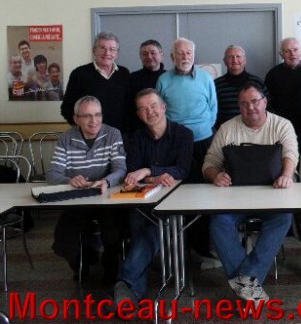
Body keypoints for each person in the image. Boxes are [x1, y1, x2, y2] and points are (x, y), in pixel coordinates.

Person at [203, 82, 298, 304]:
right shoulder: (227, 128)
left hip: (273, 195)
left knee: (283, 218)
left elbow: (291, 153)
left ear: (265, 102)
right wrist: (215, 175)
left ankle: (245, 279)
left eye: (255, 101)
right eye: (244, 103)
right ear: (239, 106)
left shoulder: (282, 124)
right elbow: (209, 163)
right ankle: (249, 284)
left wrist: (286, 175)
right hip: (234, 198)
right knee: (218, 222)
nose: (250, 107)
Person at [114, 89, 193, 304]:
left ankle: (125, 281)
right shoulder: (135, 138)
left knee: (162, 226)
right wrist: (156, 176)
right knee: (138, 222)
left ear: (163, 107)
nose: (150, 112)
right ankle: (133, 291)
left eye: (153, 106)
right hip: (143, 200)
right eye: (143, 108)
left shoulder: (184, 134)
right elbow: (134, 173)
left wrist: (148, 171)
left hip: (176, 200)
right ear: (138, 114)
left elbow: (182, 170)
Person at [46, 96, 126, 282]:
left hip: (106, 199)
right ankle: (81, 263)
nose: (94, 120)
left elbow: (121, 169)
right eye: (87, 116)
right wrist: (69, 180)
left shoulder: (113, 134)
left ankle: (110, 267)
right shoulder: (66, 138)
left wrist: (106, 181)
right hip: (78, 199)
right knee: (63, 242)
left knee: (113, 235)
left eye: (98, 115)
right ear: (76, 119)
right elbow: (52, 174)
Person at [156, 38, 217, 262]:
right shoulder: (163, 80)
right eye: (180, 53)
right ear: (172, 57)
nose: (185, 57)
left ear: (194, 55)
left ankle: (202, 245)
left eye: (188, 53)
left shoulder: (205, 78)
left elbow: (213, 108)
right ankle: (178, 245)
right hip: (175, 143)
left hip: (203, 141)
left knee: (204, 192)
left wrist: (203, 129)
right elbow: (159, 112)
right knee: (177, 192)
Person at [61, 31, 131, 132]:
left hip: (120, 135)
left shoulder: (124, 73)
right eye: (102, 48)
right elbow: (67, 108)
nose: (107, 53)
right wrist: (82, 130)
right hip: (89, 135)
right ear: (94, 51)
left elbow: (130, 107)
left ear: (116, 53)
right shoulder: (79, 74)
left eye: (112, 49)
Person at [265, 37, 301, 163]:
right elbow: (267, 103)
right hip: (284, 129)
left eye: (295, 50)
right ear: (281, 54)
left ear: (300, 52)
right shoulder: (273, 74)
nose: (292, 54)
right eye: (287, 51)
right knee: (289, 166)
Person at [214, 45, 267, 128]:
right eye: (230, 57)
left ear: (245, 60)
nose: (234, 60)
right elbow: (212, 111)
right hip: (226, 131)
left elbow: (268, 108)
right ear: (225, 61)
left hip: (255, 130)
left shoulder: (257, 82)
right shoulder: (216, 84)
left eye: (238, 56)